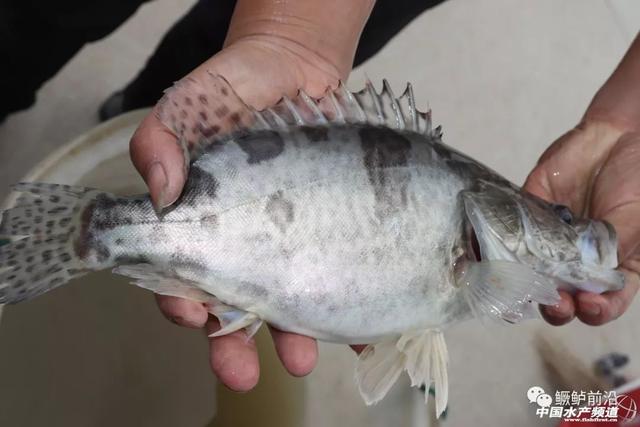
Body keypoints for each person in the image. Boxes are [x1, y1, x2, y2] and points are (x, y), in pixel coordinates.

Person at [3, 0, 639, 394]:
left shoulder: (481, 252)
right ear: (495, 213)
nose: (566, 223)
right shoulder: (472, 237)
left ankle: (121, 115)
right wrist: (295, 30)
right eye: (556, 216)